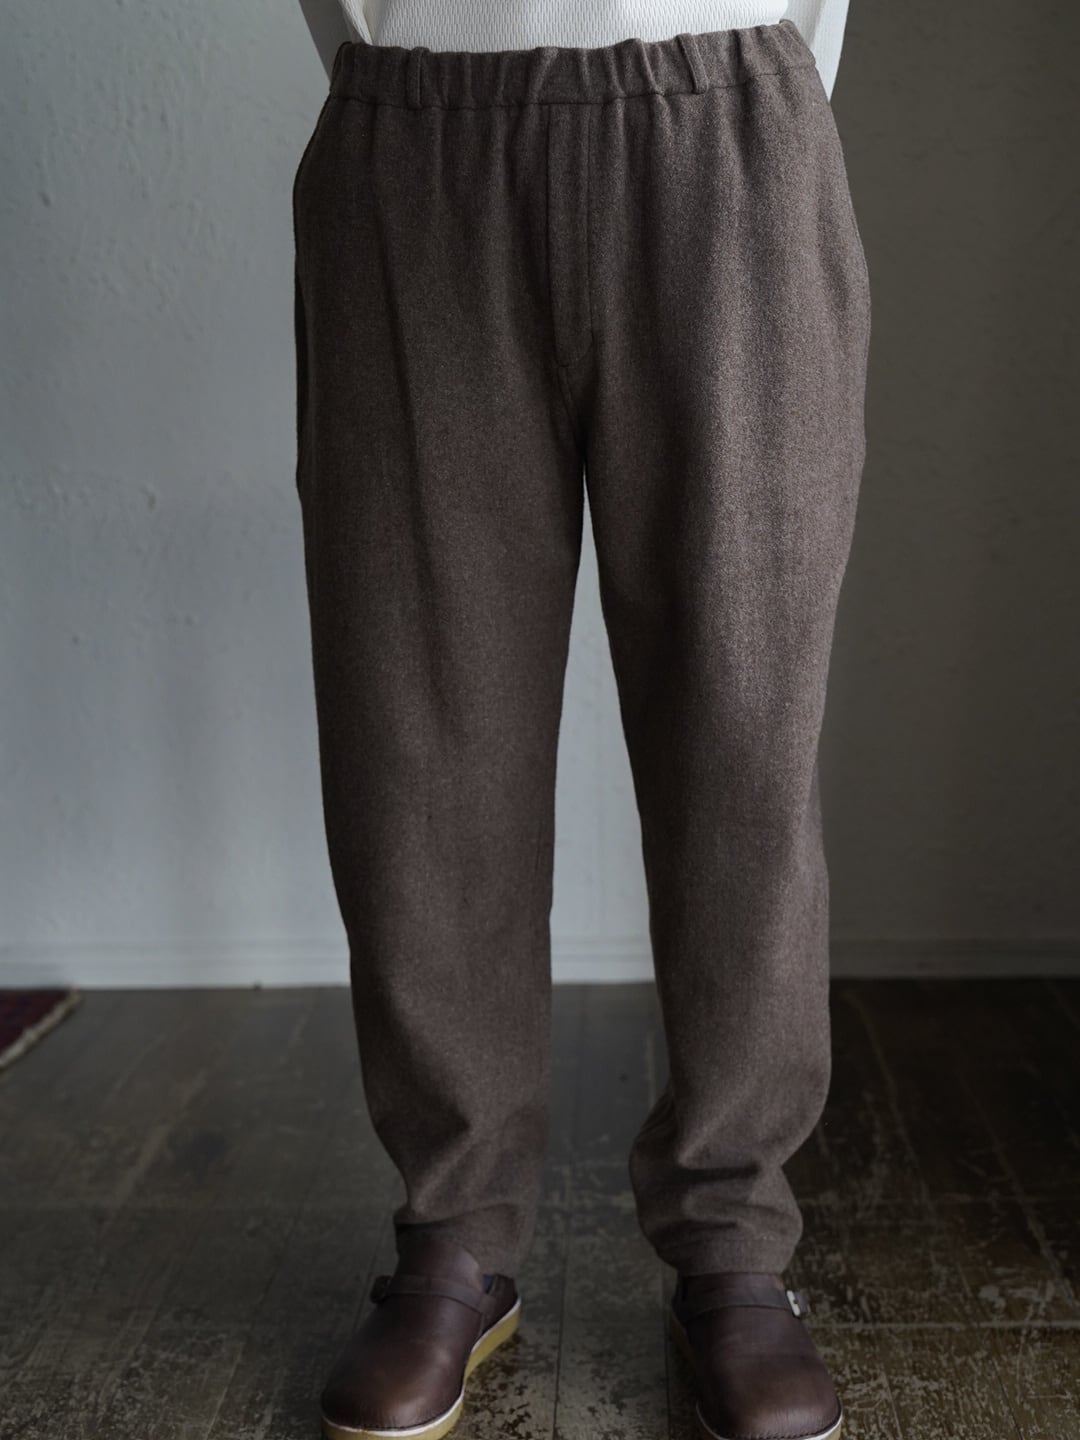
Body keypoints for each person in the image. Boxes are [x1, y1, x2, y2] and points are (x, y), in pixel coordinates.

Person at [291, 4, 867, 1439]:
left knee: (744, 730)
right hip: (414, 136)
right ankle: (454, 1233)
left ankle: (736, 1243)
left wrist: (766, 80)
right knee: (417, 722)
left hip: (729, 123)